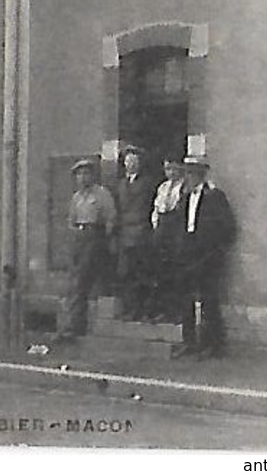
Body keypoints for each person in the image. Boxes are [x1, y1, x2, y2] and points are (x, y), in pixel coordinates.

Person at [171, 155, 236, 359]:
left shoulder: (215, 196)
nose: (189, 176)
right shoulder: (184, 197)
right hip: (188, 253)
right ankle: (189, 341)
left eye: (193, 172)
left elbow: (228, 227)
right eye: (187, 172)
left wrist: (215, 251)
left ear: (202, 174)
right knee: (186, 299)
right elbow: (179, 225)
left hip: (207, 254)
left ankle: (213, 344)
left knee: (209, 300)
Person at [53, 157, 116, 343]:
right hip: (78, 238)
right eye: (79, 174)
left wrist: (104, 239)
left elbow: (110, 218)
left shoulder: (102, 194)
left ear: (93, 175)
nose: (82, 177)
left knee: (80, 281)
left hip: (94, 237)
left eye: (86, 173)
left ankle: (74, 326)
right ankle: (73, 325)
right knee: (74, 280)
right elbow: (71, 220)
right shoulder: (77, 197)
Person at [114, 145, 158, 321]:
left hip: (141, 233)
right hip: (125, 234)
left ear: (140, 164)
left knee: (142, 273)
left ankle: (143, 310)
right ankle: (129, 310)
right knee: (125, 273)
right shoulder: (120, 185)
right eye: (128, 162)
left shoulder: (147, 183)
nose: (131, 165)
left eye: (134, 161)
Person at [149, 157, 187, 322]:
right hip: (162, 228)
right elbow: (156, 209)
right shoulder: (163, 187)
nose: (170, 172)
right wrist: (156, 225)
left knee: (176, 269)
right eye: (167, 169)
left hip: (176, 228)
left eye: (174, 169)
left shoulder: (184, 187)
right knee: (160, 269)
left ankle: (176, 310)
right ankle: (162, 308)